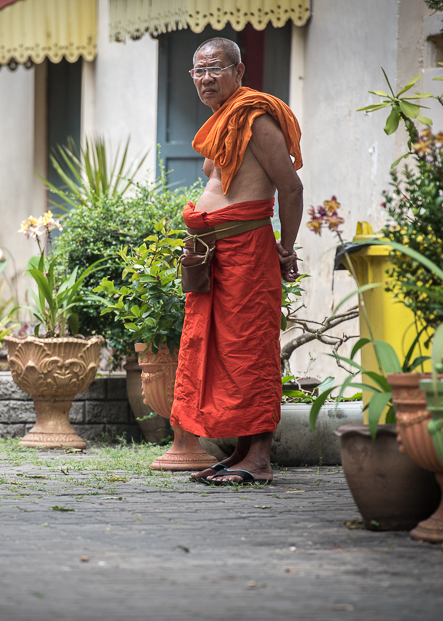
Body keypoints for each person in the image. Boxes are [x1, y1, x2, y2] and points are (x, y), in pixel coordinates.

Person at [170, 37, 303, 485]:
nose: (205, 79)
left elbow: (291, 187)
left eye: (215, 69)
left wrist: (288, 246)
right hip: (216, 255)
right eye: (198, 71)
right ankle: (242, 453)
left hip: (247, 251)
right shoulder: (220, 121)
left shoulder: (256, 117)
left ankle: (260, 460)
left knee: (249, 351)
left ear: (239, 72)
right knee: (223, 353)